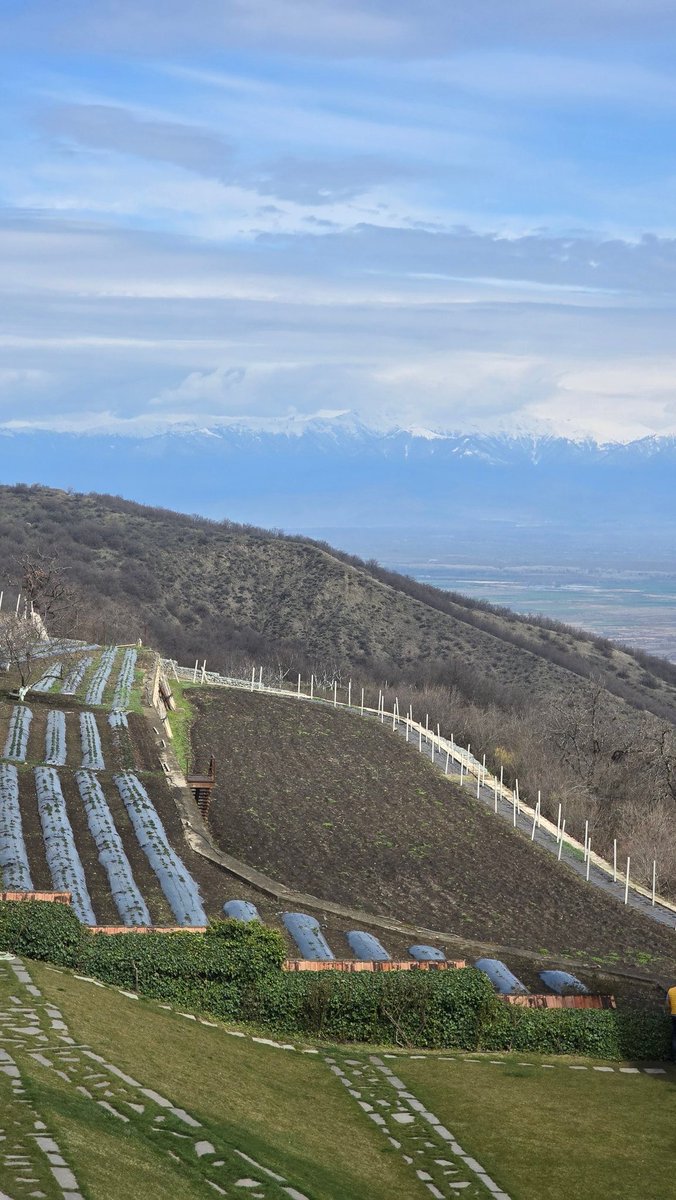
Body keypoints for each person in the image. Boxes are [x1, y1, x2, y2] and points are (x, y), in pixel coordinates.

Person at [667, 983, 676, 1063]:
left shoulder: (670, 990)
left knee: (674, 1037)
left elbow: (667, 1003)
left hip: (673, 1015)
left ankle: (673, 1058)